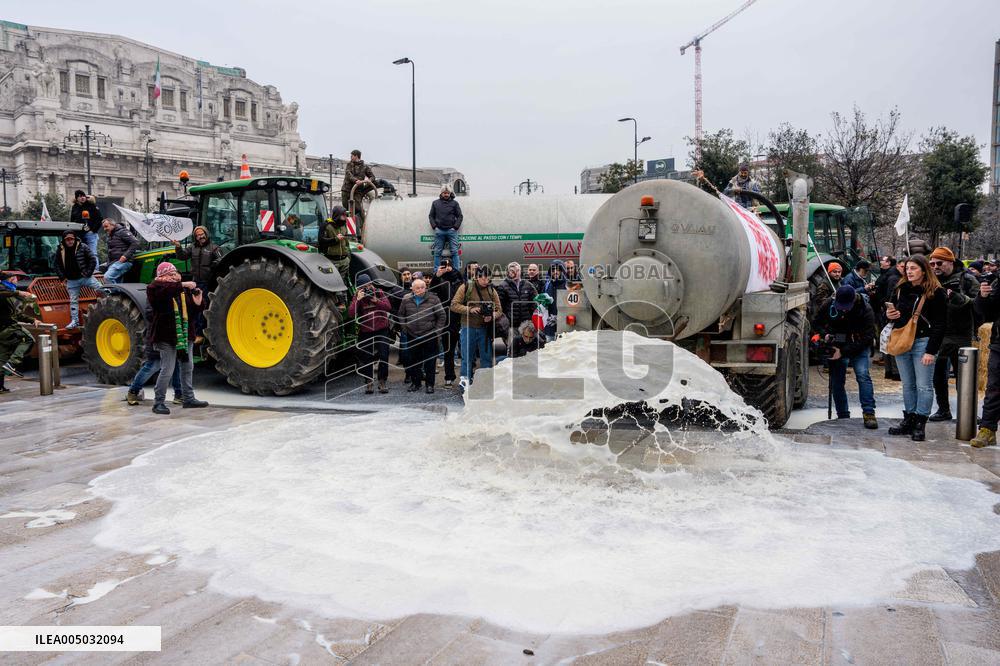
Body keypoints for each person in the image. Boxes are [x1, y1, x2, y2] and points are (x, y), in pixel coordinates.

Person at [885, 255, 947, 442]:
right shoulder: (900, 288)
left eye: (913, 268)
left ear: (924, 270)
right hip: (902, 340)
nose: (909, 271)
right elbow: (889, 313)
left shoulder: (936, 292)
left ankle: (920, 422)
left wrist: (931, 351)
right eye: (907, 268)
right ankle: (909, 419)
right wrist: (889, 314)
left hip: (923, 341)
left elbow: (940, 324)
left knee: (924, 385)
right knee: (908, 384)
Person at [145, 262, 208, 414]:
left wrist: (198, 302)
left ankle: (188, 398)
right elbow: (165, 294)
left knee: (188, 367)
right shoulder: (154, 288)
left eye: (175, 274)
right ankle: (158, 402)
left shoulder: (180, 289)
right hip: (165, 336)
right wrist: (183, 284)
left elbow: (192, 311)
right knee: (167, 369)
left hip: (185, 335)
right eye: (171, 274)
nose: (174, 276)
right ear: (162, 275)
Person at [927, 247, 981, 422]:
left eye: (939, 263)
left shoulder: (967, 279)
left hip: (961, 333)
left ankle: (967, 412)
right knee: (938, 375)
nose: (935, 267)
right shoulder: (931, 280)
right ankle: (943, 409)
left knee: (964, 376)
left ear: (950, 262)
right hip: (939, 333)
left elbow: (980, 305)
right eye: (932, 263)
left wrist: (960, 299)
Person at [814, 285, 878, 428]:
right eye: (840, 306)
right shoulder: (829, 304)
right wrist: (825, 334)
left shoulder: (866, 310)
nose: (843, 310)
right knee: (837, 381)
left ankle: (869, 413)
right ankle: (842, 415)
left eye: (846, 307)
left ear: (853, 301)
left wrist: (842, 352)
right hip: (837, 343)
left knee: (863, 375)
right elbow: (816, 323)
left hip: (858, 345)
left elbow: (867, 338)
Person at [451, 265, 501, 386]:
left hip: (485, 328)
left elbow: (499, 310)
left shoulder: (491, 290)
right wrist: (469, 309)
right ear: (477, 277)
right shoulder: (466, 287)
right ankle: (465, 385)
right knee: (467, 358)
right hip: (468, 327)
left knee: (486, 358)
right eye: (483, 278)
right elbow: (454, 305)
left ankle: (485, 384)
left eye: (488, 279)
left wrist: (492, 316)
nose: (485, 281)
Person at [398, 278, 446, 393]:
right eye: (417, 288)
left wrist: (437, 332)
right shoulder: (406, 299)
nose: (420, 290)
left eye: (422, 287)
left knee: (430, 362)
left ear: (426, 288)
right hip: (412, 335)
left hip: (429, 335)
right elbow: (401, 314)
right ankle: (416, 383)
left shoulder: (433, 299)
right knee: (414, 361)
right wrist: (405, 328)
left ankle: (430, 385)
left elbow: (442, 315)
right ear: (412, 289)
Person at [348, 273, 392, 394]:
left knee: (384, 355)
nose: (367, 288)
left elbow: (388, 307)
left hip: (381, 330)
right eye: (363, 287)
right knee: (366, 357)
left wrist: (376, 300)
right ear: (359, 288)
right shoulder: (357, 296)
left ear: (371, 284)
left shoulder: (379, 292)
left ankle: (382, 381)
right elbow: (351, 313)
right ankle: (369, 382)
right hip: (366, 331)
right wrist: (358, 300)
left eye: (368, 285)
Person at [125, 318, 183, 406]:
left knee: (175, 365)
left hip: (172, 337)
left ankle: (179, 394)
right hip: (159, 337)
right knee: (153, 365)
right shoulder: (156, 310)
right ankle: (133, 391)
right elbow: (152, 316)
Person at [971, 271, 999, 447]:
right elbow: (987, 314)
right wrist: (983, 296)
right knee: (994, 388)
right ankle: (987, 429)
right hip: (999, 344)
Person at [53, 229, 99, 330]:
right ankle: (75, 321)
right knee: (73, 301)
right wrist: (62, 277)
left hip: (85, 277)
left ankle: (111, 306)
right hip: (71, 280)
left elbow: (92, 259)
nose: (70, 241)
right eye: (67, 239)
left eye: (71, 239)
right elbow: (56, 265)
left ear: (75, 239)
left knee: (102, 289)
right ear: (64, 240)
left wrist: (88, 273)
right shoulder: (60, 249)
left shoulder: (83, 246)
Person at [0, 272, 40, 386]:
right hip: (7, 326)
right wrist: (19, 292)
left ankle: (0, 386)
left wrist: (32, 320)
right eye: (14, 279)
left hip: (3, 329)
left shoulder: (9, 294)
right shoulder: (4, 292)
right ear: (9, 280)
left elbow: (16, 314)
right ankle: (12, 363)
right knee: (29, 339)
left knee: (2, 356)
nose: (17, 281)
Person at [429, 259, 464, 388]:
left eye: (449, 265)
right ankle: (449, 377)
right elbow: (432, 290)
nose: (447, 268)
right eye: (444, 265)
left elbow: (465, 286)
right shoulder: (440, 280)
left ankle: (467, 376)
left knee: (465, 351)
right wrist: (437, 275)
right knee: (448, 351)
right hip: (446, 321)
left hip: (461, 319)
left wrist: (455, 272)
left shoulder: (458, 280)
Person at [497, 262, 537, 345]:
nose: (515, 273)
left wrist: (531, 318)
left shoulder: (528, 285)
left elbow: (534, 303)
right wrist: (506, 320)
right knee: (512, 348)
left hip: (526, 325)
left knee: (526, 349)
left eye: (517, 270)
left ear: (520, 271)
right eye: (512, 271)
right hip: (511, 326)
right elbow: (500, 306)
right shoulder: (503, 286)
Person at [429, 186, 463, 271]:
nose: (446, 194)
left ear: (450, 193)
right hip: (439, 231)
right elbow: (431, 216)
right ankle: (436, 271)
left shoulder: (454, 203)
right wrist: (435, 227)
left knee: (454, 252)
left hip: (451, 231)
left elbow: (460, 216)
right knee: (437, 252)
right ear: (441, 193)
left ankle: (456, 271)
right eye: (444, 193)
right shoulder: (435, 203)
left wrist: (455, 227)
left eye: (448, 193)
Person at [341, 149, 376, 232]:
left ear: (356, 156)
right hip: (346, 190)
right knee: (345, 210)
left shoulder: (365, 167)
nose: (350, 157)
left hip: (357, 191)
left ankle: (364, 227)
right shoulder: (349, 164)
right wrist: (356, 181)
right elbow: (349, 175)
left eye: (352, 156)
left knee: (358, 209)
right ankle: (346, 228)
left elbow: (372, 177)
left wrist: (369, 181)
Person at [318, 206, 352, 284]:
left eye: (346, 215)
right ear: (337, 215)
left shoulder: (344, 225)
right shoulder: (326, 225)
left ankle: (343, 291)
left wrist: (348, 256)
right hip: (332, 261)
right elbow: (321, 241)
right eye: (343, 215)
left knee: (343, 282)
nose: (345, 217)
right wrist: (335, 239)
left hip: (344, 261)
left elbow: (346, 241)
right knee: (332, 283)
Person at [100, 218, 139, 284]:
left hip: (122, 262)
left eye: (106, 226)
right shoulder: (111, 235)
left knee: (107, 278)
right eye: (104, 227)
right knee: (118, 285)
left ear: (113, 225)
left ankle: (112, 291)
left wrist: (125, 256)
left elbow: (135, 242)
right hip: (114, 263)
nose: (105, 229)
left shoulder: (122, 232)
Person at [70, 190, 103, 257]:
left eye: (83, 196)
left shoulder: (91, 205)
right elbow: (72, 220)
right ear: (77, 198)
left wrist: (93, 230)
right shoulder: (75, 207)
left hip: (90, 233)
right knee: (81, 254)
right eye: (80, 196)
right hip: (79, 233)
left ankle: (94, 265)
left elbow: (99, 219)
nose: (82, 197)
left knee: (92, 253)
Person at [543, 260, 567, 339]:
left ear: (562, 271)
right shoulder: (547, 285)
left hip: (564, 327)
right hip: (549, 327)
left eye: (558, 270)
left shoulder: (567, 285)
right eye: (553, 270)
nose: (555, 272)